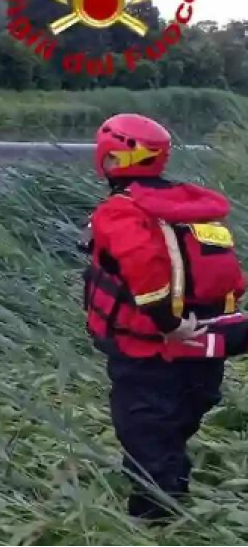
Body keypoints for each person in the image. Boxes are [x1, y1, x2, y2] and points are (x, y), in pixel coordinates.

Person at [82, 113, 248, 520]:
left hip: (152, 351)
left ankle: (156, 522)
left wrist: (169, 325)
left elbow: (145, 266)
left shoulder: (120, 212)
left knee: (148, 439)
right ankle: (167, 491)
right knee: (168, 431)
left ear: (110, 159)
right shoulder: (188, 205)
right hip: (203, 348)